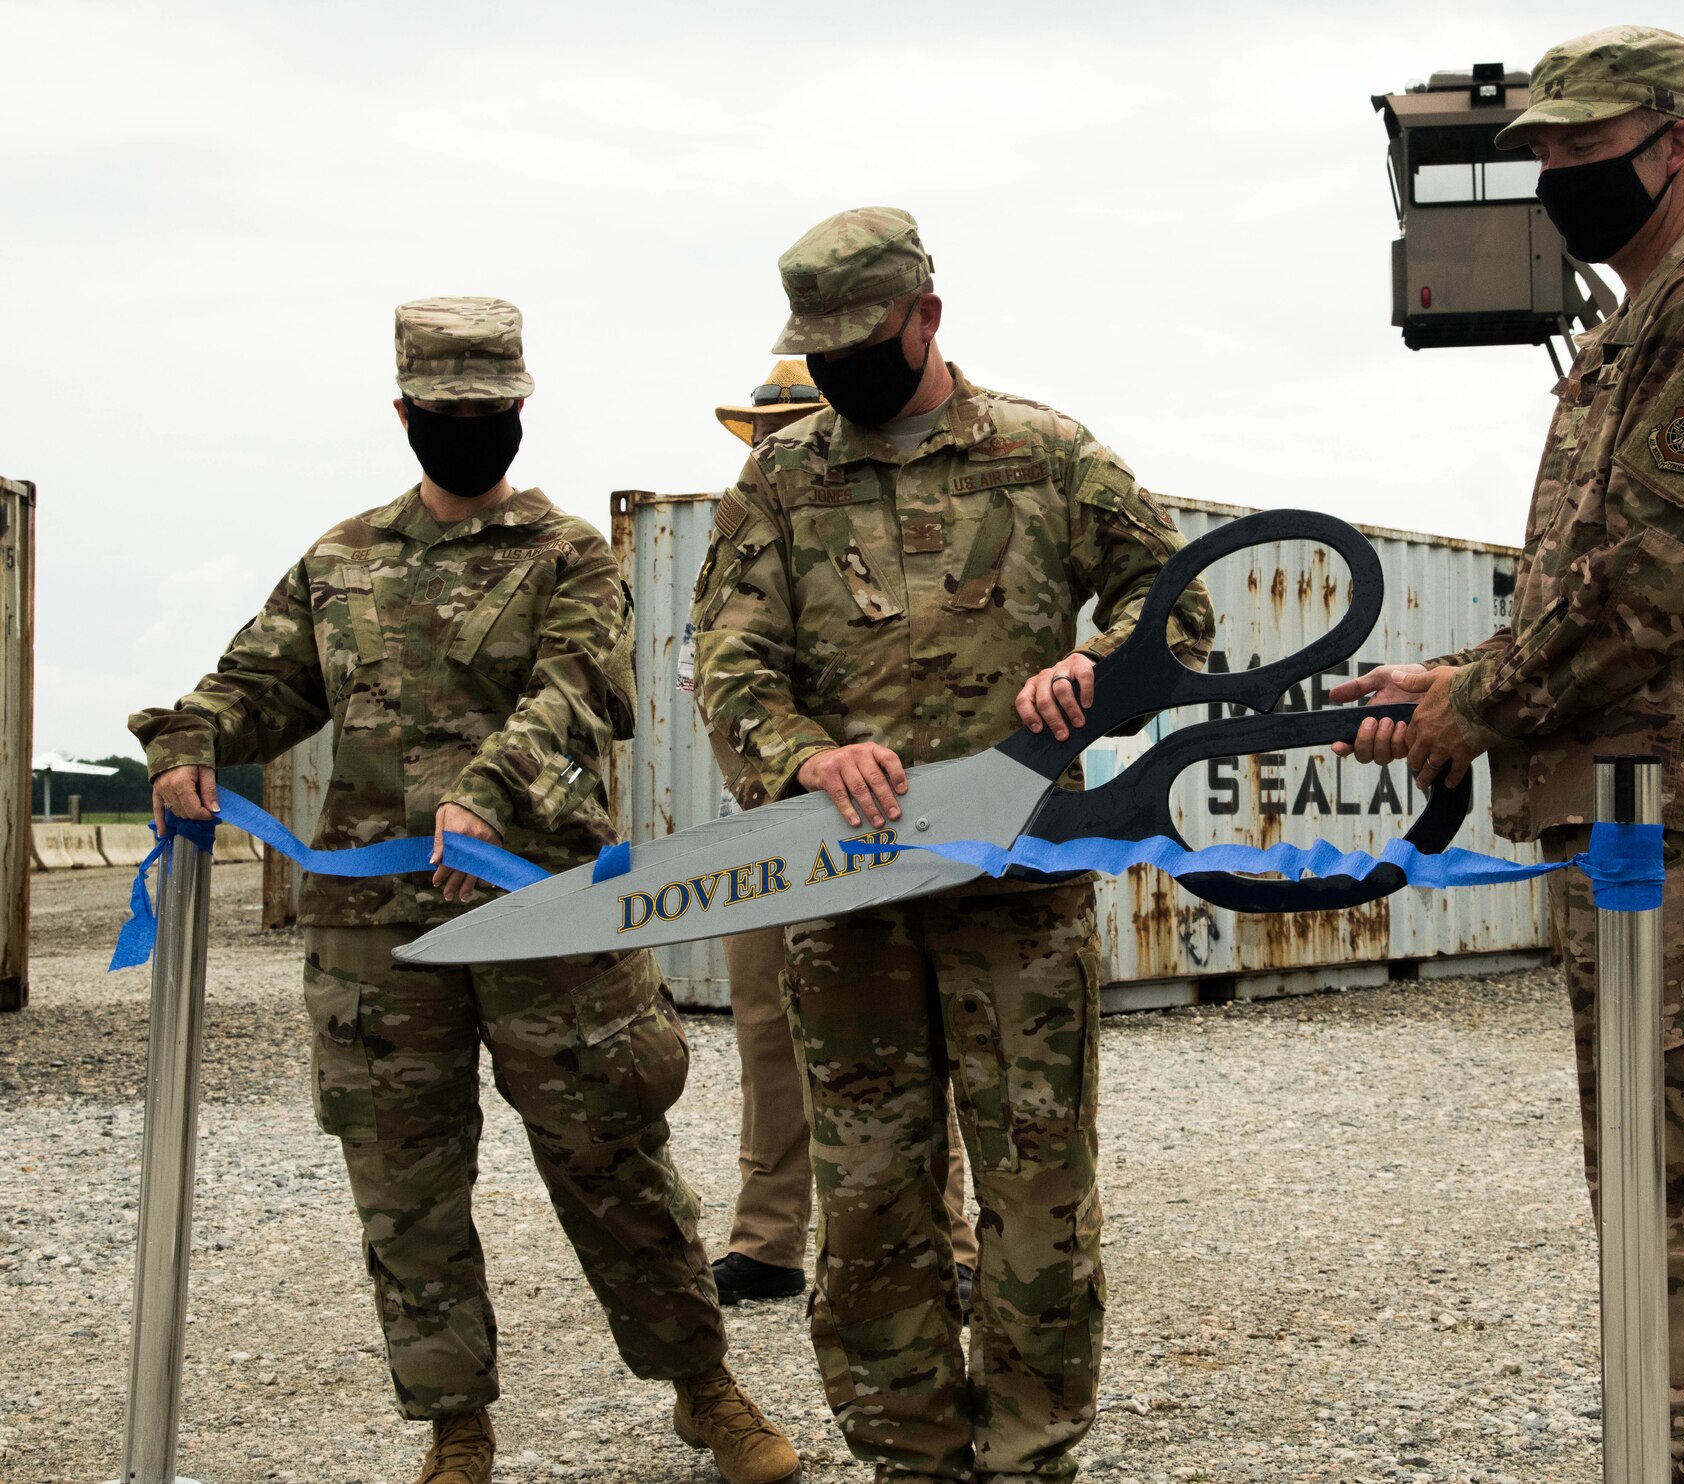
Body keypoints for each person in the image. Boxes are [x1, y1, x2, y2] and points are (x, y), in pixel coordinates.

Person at [130, 299, 799, 1484]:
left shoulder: (567, 556)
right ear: (404, 416)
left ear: (520, 413)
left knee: (614, 1164)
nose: (467, 431)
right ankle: (457, 1426)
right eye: (446, 416)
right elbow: (255, 681)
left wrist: (489, 791)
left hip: (547, 918)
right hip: (377, 945)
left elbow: (579, 689)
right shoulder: (341, 560)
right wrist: (188, 743)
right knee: (405, 1186)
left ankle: (706, 1387)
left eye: (486, 414)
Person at [1332, 28, 1684, 1483]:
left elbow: (1654, 596)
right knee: (1671, 1186)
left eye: (1585, 145)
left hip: (1671, 817)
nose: (1558, 173)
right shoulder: (1633, 329)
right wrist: (1454, 679)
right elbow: (1600, 602)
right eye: (1545, 151)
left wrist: (1475, 708)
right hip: (1630, 812)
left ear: (1676, 140)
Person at [693, 207, 1214, 1482]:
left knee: (1036, 1195)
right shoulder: (781, 478)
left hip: (1017, 892)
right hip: (846, 890)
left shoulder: (1046, 455)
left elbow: (1174, 602)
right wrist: (805, 754)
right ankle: (910, 1455)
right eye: (814, 349)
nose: (836, 370)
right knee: (869, 1197)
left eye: (857, 341)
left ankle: (1031, 1454)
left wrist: (1093, 671)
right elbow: (730, 658)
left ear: (924, 317)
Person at [699, 361, 981, 1308]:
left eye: (790, 421)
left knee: (904, 1036)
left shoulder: (892, 519)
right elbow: (729, 669)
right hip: (766, 826)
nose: (772, 440)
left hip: (875, 826)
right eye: (763, 427)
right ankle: (767, 1240)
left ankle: (953, 1242)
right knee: (768, 1035)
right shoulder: (745, 522)